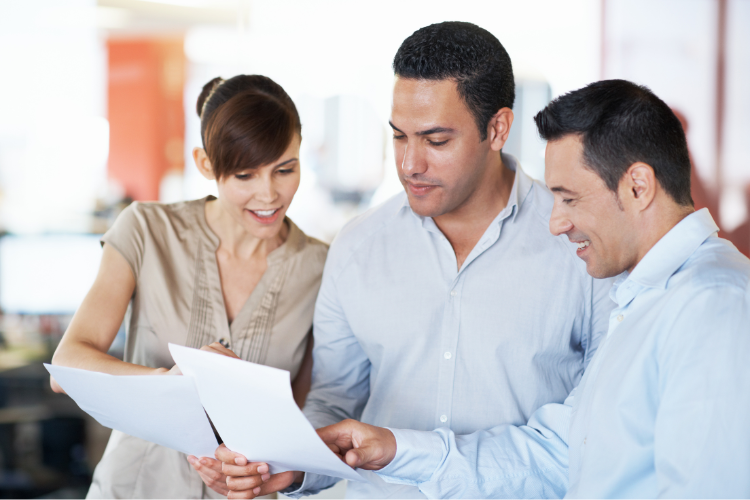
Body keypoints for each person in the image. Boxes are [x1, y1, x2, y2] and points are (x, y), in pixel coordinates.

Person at [196, 22, 615, 499]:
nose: (410, 164)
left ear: (497, 129)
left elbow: (584, 438)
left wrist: (404, 449)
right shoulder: (358, 247)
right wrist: (293, 466)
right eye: (399, 137)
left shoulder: (581, 248)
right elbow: (334, 405)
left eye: (436, 142)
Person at [312, 80, 750, 498]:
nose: (556, 223)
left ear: (638, 187)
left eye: (570, 198)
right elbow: (559, 453)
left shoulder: (714, 306)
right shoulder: (647, 300)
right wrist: (395, 450)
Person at [50, 74, 328, 499]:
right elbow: (67, 364)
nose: (269, 194)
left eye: (285, 169)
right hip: (135, 487)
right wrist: (173, 384)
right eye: (245, 175)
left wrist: (266, 468)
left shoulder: (320, 267)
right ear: (205, 164)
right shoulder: (146, 229)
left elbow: (305, 414)